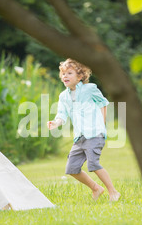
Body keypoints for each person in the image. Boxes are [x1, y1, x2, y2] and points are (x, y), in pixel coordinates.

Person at [47, 58, 120, 202]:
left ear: (80, 76)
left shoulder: (90, 89)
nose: (65, 76)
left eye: (69, 73)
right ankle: (96, 188)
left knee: (93, 164)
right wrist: (56, 122)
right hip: (79, 137)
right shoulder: (63, 96)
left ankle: (113, 192)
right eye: (63, 73)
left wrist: (102, 125)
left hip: (94, 133)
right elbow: (62, 114)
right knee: (72, 169)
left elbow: (103, 103)